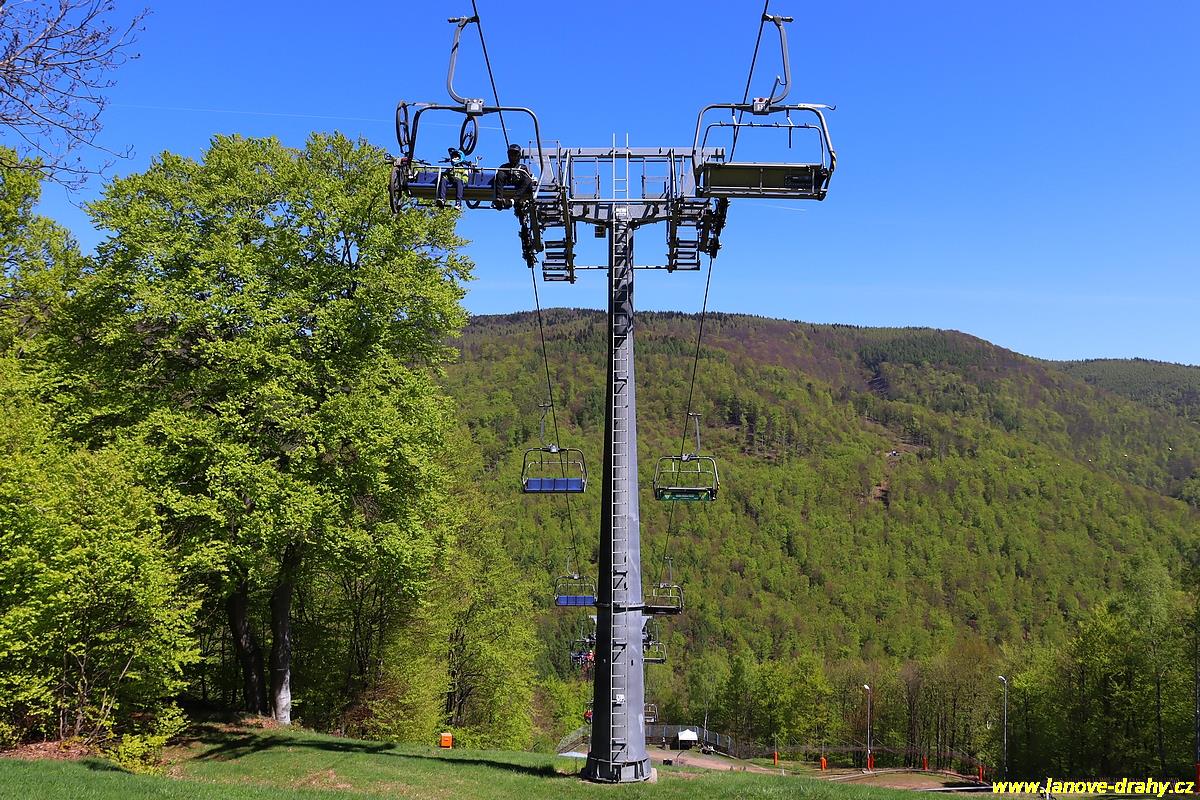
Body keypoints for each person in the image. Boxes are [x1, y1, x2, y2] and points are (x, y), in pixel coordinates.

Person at [492, 143, 534, 209]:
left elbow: (528, 180)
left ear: (519, 155)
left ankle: (512, 201)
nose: (513, 157)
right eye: (511, 154)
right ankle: (499, 199)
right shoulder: (504, 167)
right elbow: (499, 177)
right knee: (500, 173)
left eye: (515, 154)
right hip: (507, 182)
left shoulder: (522, 167)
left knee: (528, 180)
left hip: (519, 185)